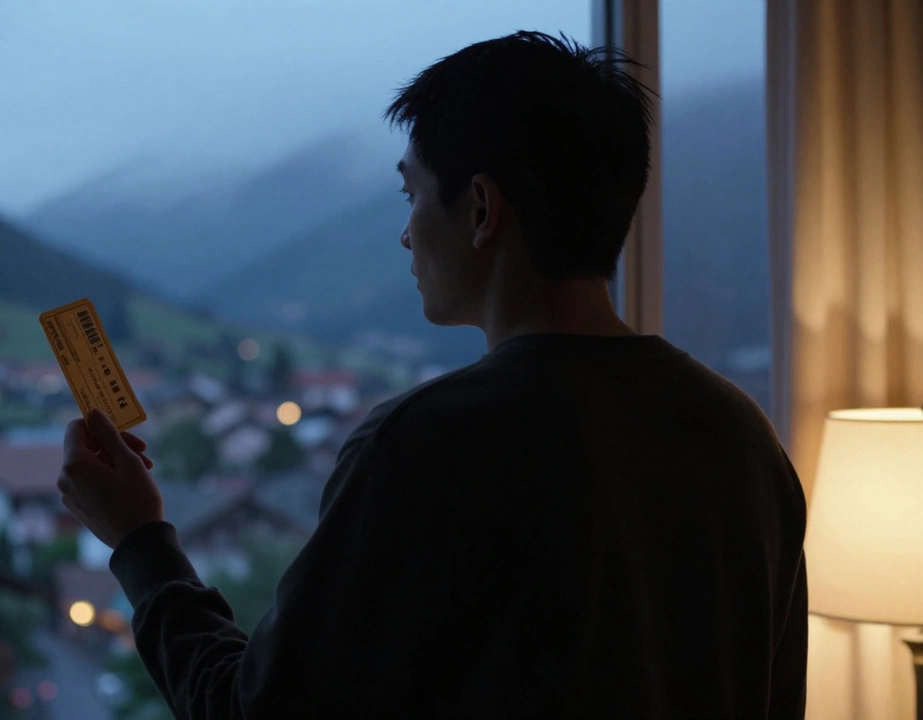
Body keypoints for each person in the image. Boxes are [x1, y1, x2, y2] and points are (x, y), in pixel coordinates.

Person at [57, 31, 807, 719]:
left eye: (411, 193)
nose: (406, 230)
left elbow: (255, 713)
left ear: (481, 209)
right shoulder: (743, 438)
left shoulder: (426, 446)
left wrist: (140, 541)